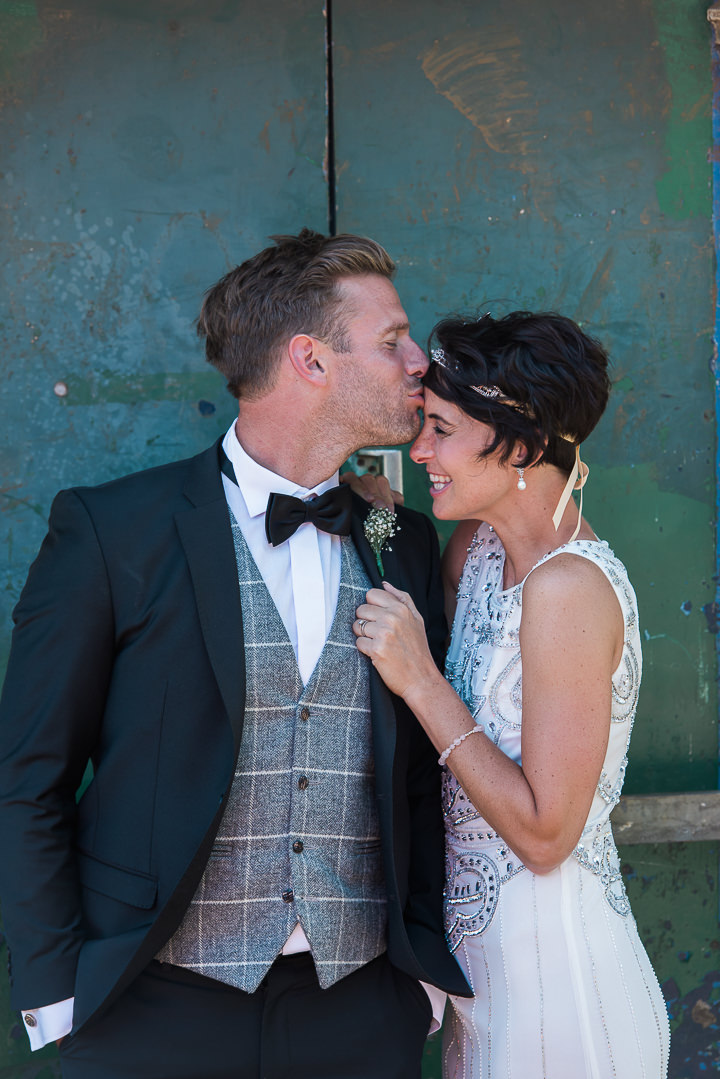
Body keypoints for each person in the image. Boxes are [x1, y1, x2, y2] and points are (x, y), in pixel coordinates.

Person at [0, 228, 469, 1079]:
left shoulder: (398, 540)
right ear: (310, 359)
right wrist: (56, 991)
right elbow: (28, 776)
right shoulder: (113, 532)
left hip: (361, 1008)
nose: (418, 364)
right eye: (393, 339)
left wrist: (421, 978)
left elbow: (418, 779)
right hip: (149, 1005)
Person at [352, 311, 670, 1078]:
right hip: (484, 983)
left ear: (521, 445)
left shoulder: (569, 588)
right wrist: (368, 518)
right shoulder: (478, 548)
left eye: (441, 430)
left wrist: (423, 679)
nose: (418, 450)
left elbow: (543, 835)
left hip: (563, 986)